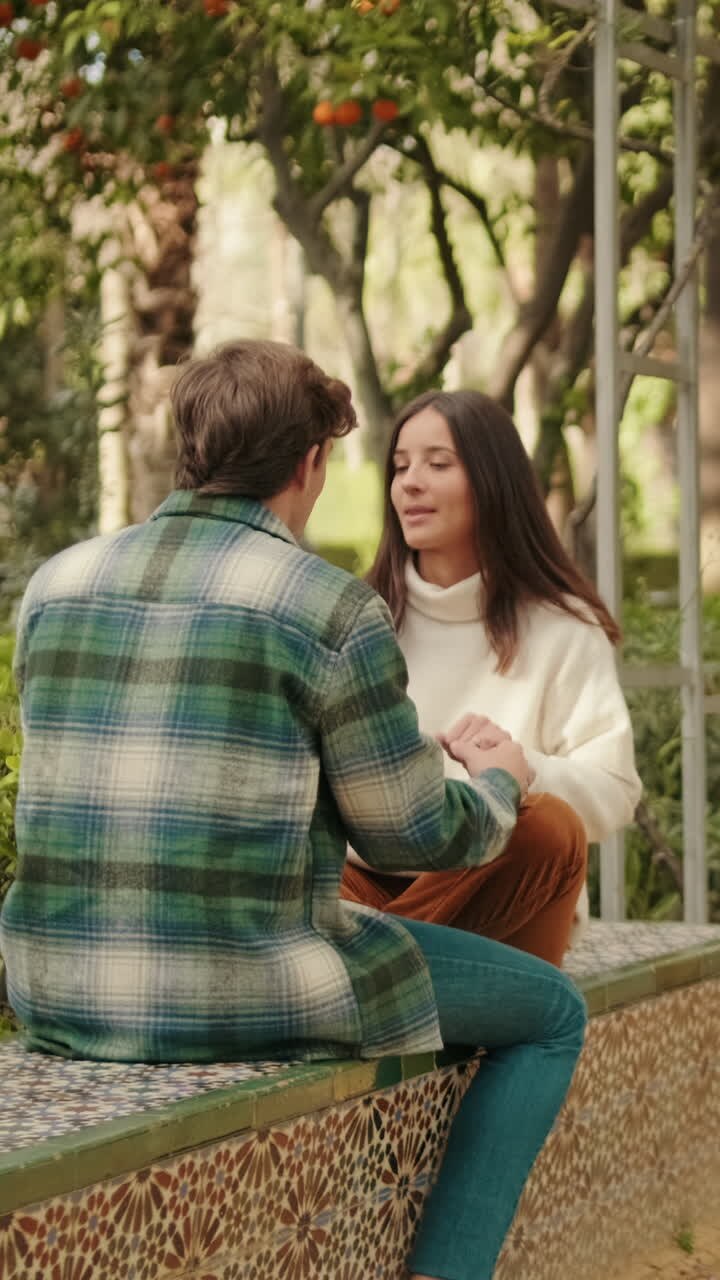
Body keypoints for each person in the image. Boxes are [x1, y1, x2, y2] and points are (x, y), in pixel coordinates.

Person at [0, 342, 586, 1280]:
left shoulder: (53, 587)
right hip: (244, 983)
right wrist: (499, 783)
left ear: (190, 446)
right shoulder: (326, 606)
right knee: (554, 1010)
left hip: (53, 987)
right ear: (309, 464)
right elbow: (414, 834)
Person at [342, 388, 642, 966]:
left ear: (491, 480)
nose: (410, 482)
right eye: (400, 466)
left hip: (498, 892)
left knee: (549, 826)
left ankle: (371, 965)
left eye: (438, 463)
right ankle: (390, 961)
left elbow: (616, 791)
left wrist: (521, 770)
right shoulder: (354, 616)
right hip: (366, 888)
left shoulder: (563, 628)